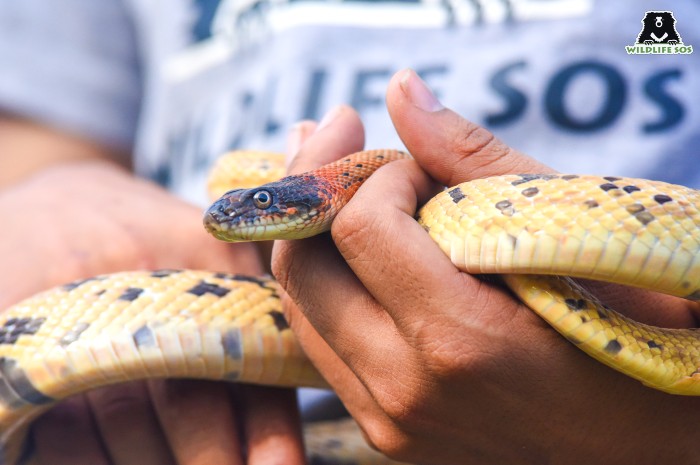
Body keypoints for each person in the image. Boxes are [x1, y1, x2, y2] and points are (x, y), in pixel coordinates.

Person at [0, 0, 698, 464]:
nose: (241, 217)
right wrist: (44, 201)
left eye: (263, 206)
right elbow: (42, 148)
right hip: (220, 421)